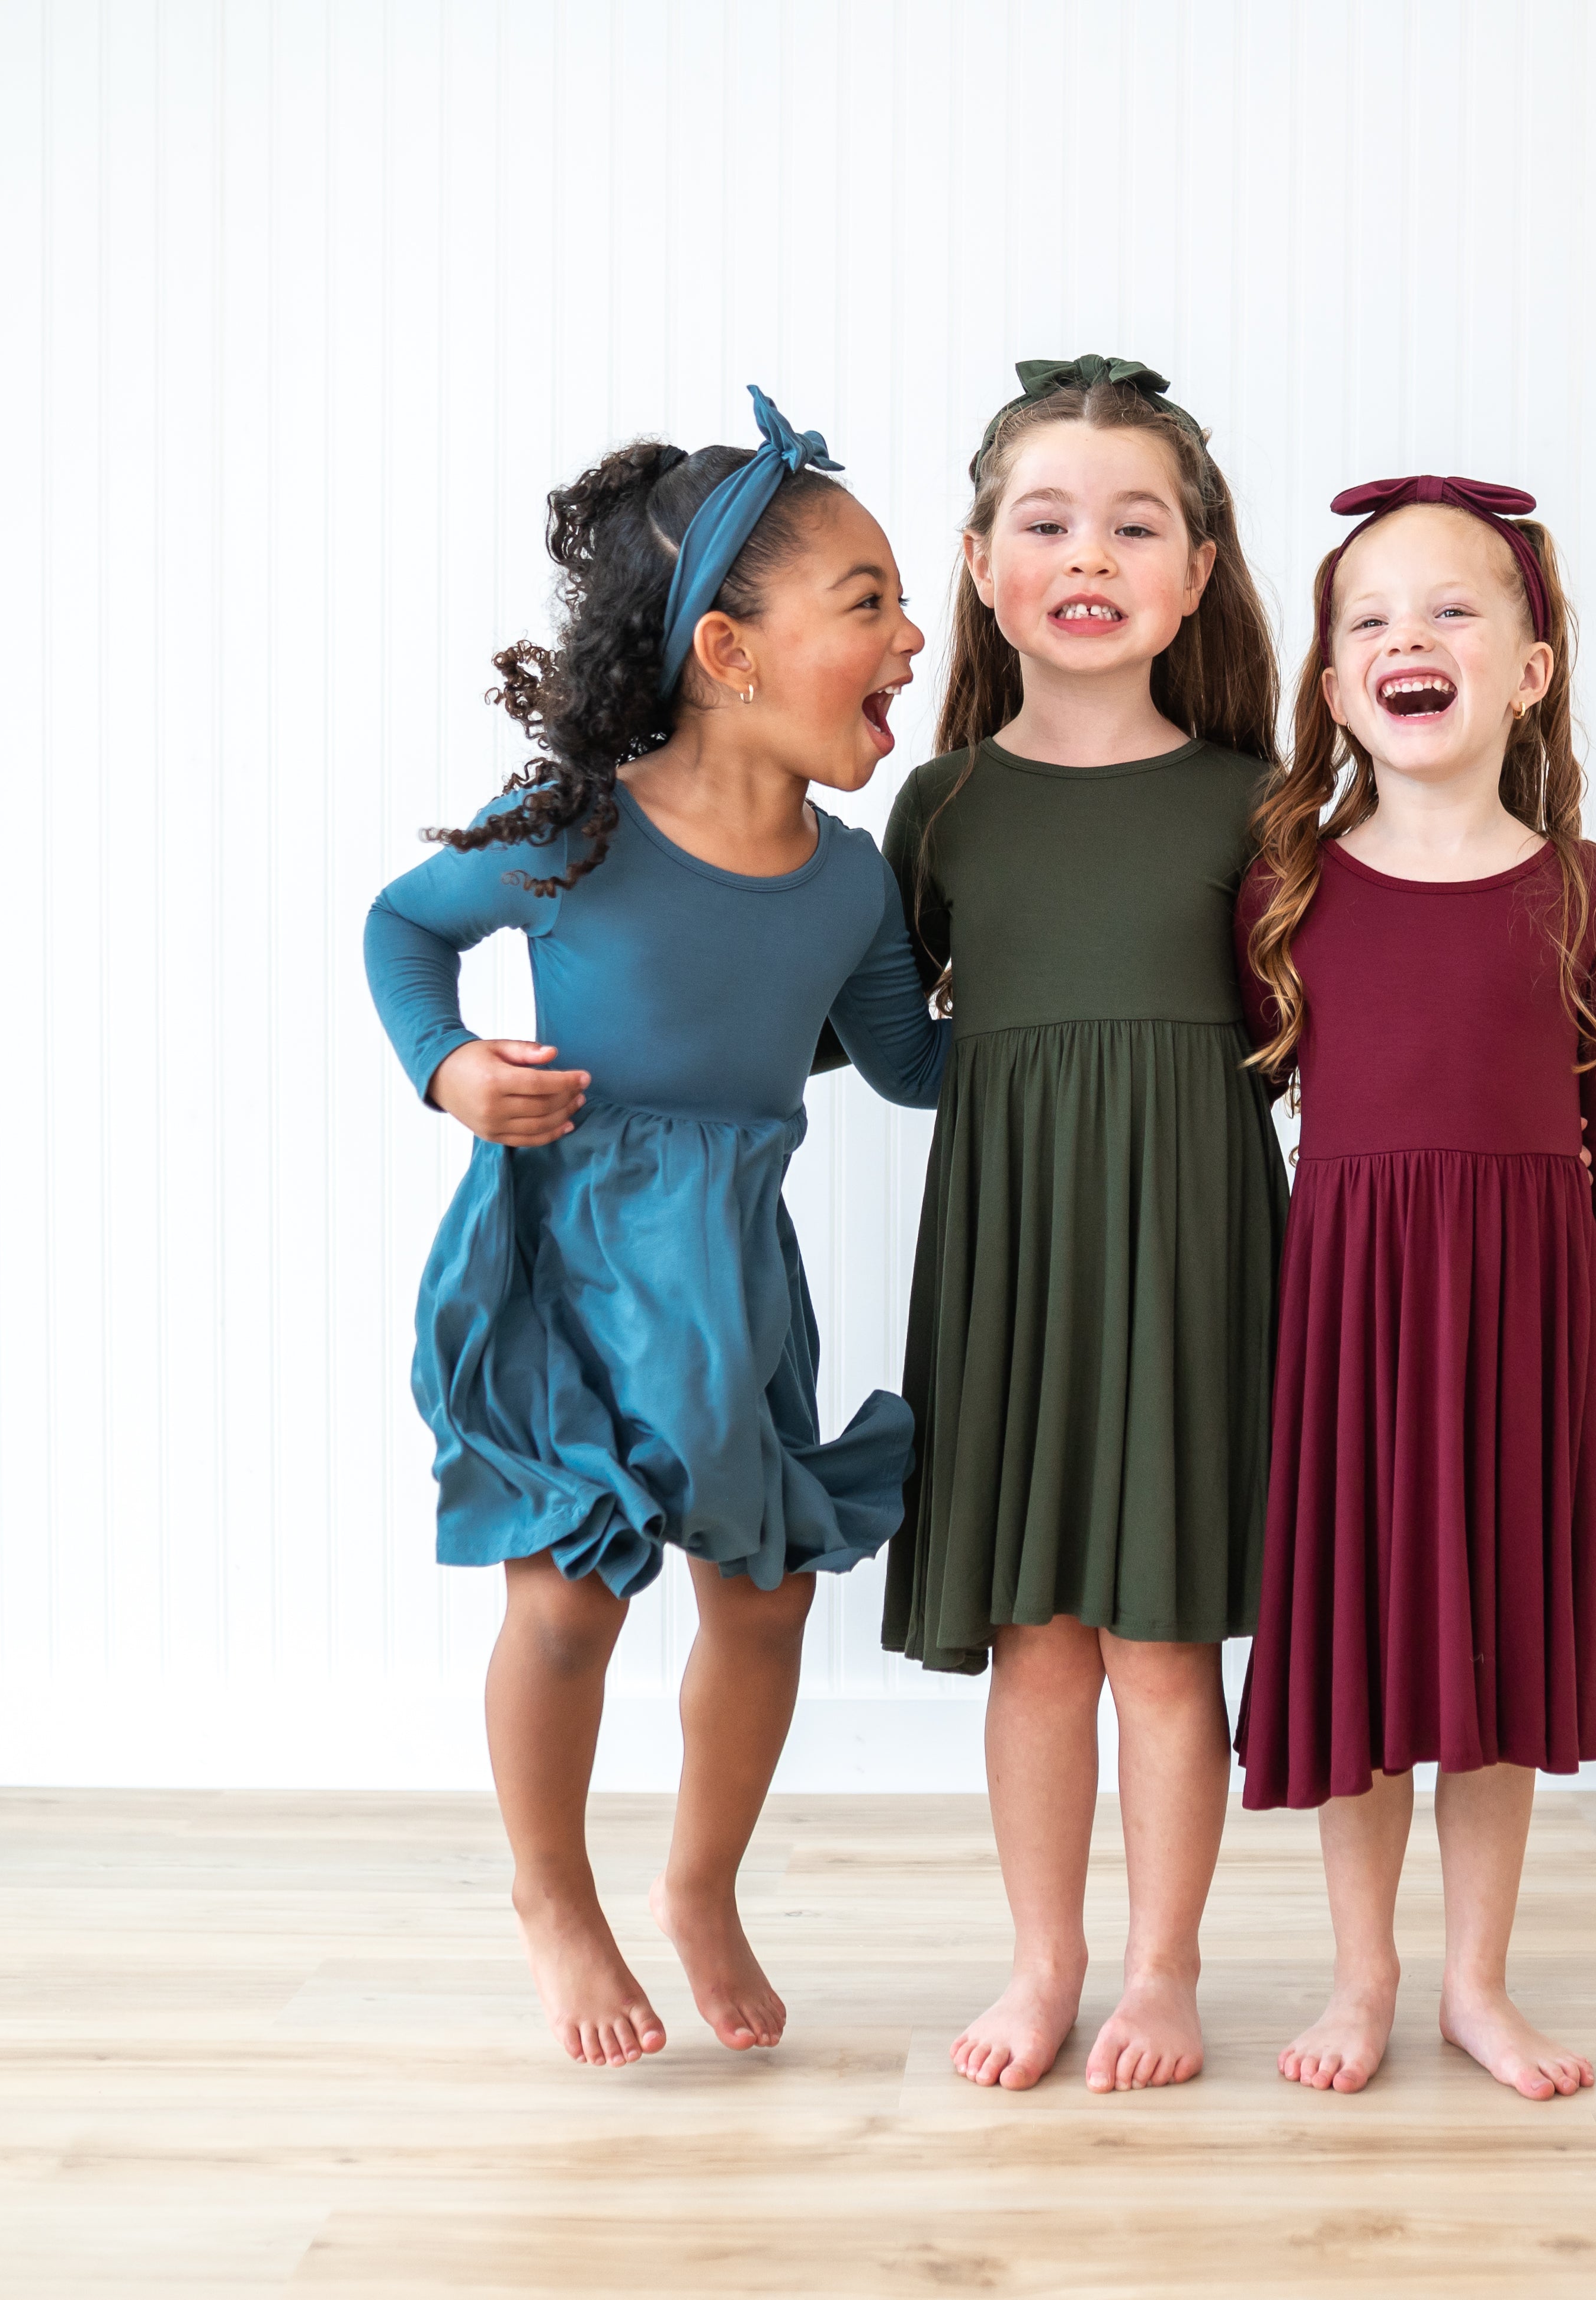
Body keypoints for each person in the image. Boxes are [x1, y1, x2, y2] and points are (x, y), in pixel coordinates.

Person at [364, 390, 946, 2067]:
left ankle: (700, 1884)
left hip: (732, 1281)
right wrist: (450, 1067)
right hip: (565, 1253)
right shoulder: (577, 830)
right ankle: (554, 1894)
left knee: (762, 1598)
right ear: (728, 651)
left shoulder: (853, 884)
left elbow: (917, 1068)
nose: (913, 641)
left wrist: (1096, 998)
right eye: (869, 604)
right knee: (568, 1600)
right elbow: (403, 927)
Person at [1235, 475, 1596, 2097]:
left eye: (1447, 609)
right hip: (1349, 1317)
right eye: (1367, 618)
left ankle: (1476, 1985)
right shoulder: (1286, 887)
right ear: (1333, 678)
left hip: (1525, 1316)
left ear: (1529, 671)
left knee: (1500, 1660)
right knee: (1360, 1658)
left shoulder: (1588, 891)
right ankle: (1361, 1977)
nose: (1403, 637)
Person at [881, 357, 1287, 2093]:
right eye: (1045, 523)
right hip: (1013, 1257)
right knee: (1037, 1636)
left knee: (1159, 1637)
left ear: (1197, 573)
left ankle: (1163, 1971)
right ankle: (1044, 1962)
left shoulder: (1257, 801)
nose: (1090, 554)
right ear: (981, 567)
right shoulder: (944, 806)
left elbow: (1318, 1044)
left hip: (1188, 1253)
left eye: (1135, 524)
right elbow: (877, 1033)